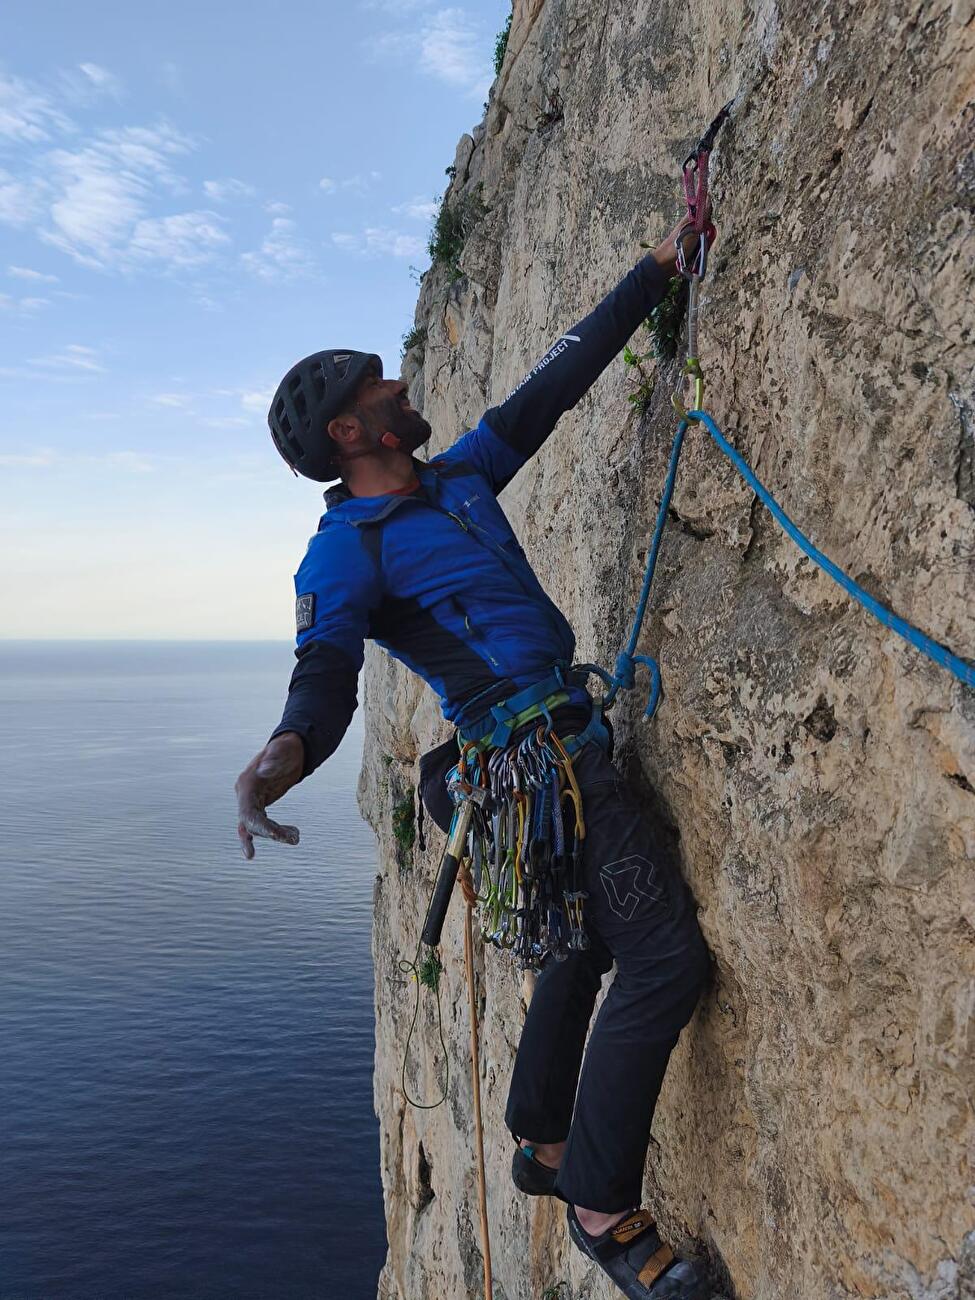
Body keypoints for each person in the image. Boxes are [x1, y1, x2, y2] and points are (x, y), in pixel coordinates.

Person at [235, 216, 714, 1300]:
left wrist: (654, 270)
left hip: (542, 754)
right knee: (663, 961)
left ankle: (542, 1138)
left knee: (579, 943)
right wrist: (280, 757)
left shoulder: (453, 479)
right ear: (352, 431)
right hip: (539, 766)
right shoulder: (344, 553)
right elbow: (325, 674)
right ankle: (599, 1205)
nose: (403, 383)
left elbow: (548, 391)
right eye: (380, 385)